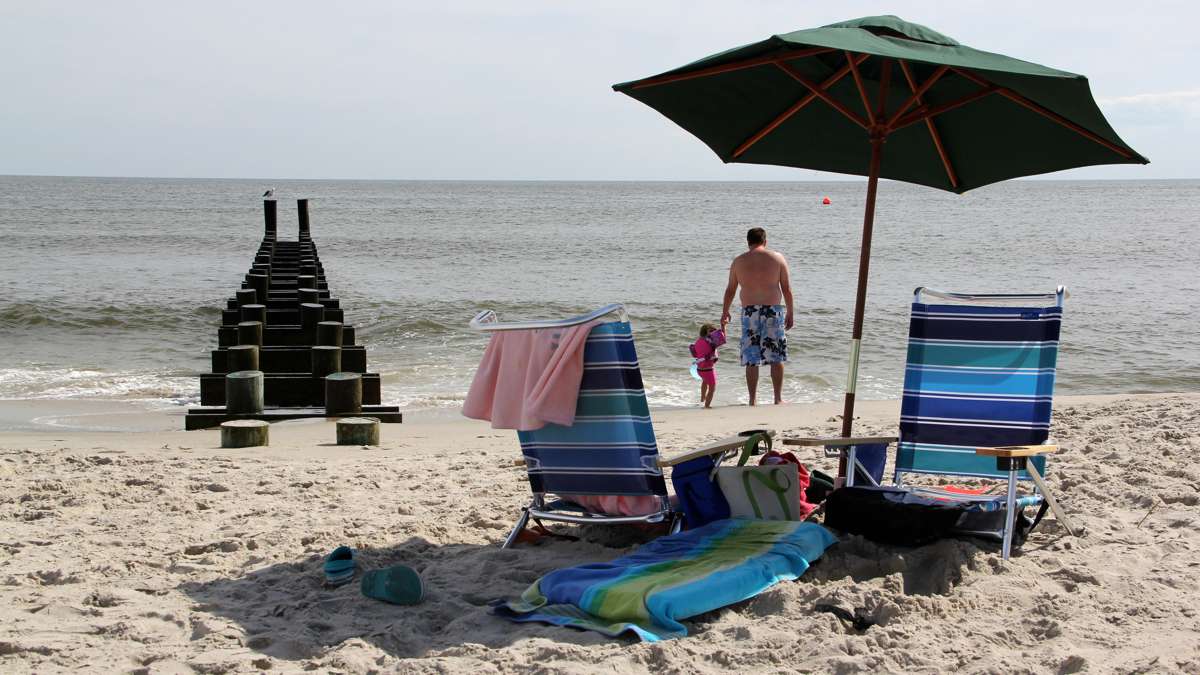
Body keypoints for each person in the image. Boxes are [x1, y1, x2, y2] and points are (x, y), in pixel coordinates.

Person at [720, 227, 794, 405]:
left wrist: (725, 311)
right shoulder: (777, 258)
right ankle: (778, 398)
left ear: (748, 242)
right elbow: (787, 289)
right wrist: (791, 311)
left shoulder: (738, 261)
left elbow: (731, 289)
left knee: (751, 358)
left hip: (749, 312)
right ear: (765, 241)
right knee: (776, 356)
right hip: (773, 311)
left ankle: (752, 400)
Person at [691, 323, 721, 408]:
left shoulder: (698, 341)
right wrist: (723, 327)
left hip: (699, 369)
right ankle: (707, 406)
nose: (713, 332)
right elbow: (722, 339)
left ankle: (702, 398)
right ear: (706, 332)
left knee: (705, 381)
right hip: (708, 370)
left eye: (714, 331)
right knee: (712, 388)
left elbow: (696, 353)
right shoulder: (711, 342)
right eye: (711, 331)